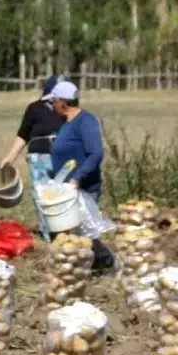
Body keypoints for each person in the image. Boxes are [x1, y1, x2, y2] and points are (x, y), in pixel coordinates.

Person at [48, 81, 113, 270]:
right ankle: (80, 271)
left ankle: (105, 262)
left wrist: (78, 178)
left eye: (54, 101)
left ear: (63, 102)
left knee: (84, 234)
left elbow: (96, 153)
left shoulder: (85, 120)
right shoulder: (65, 123)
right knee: (73, 235)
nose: (52, 105)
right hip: (66, 190)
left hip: (83, 188)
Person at [0, 74, 65, 241]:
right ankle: (48, 235)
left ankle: (64, 232)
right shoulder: (34, 109)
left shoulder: (68, 110)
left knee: (63, 195)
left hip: (64, 158)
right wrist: (10, 157)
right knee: (42, 197)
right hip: (39, 158)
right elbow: (23, 135)